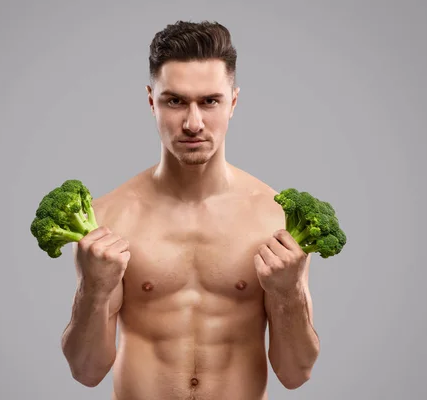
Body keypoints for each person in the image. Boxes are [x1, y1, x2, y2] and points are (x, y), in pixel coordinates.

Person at [60, 20, 320, 400]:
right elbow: (86, 371)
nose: (193, 123)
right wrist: (93, 290)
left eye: (210, 101)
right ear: (152, 101)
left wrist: (289, 292)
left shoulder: (278, 218)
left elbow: (296, 373)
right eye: (175, 101)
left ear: (233, 102)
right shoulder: (107, 219)